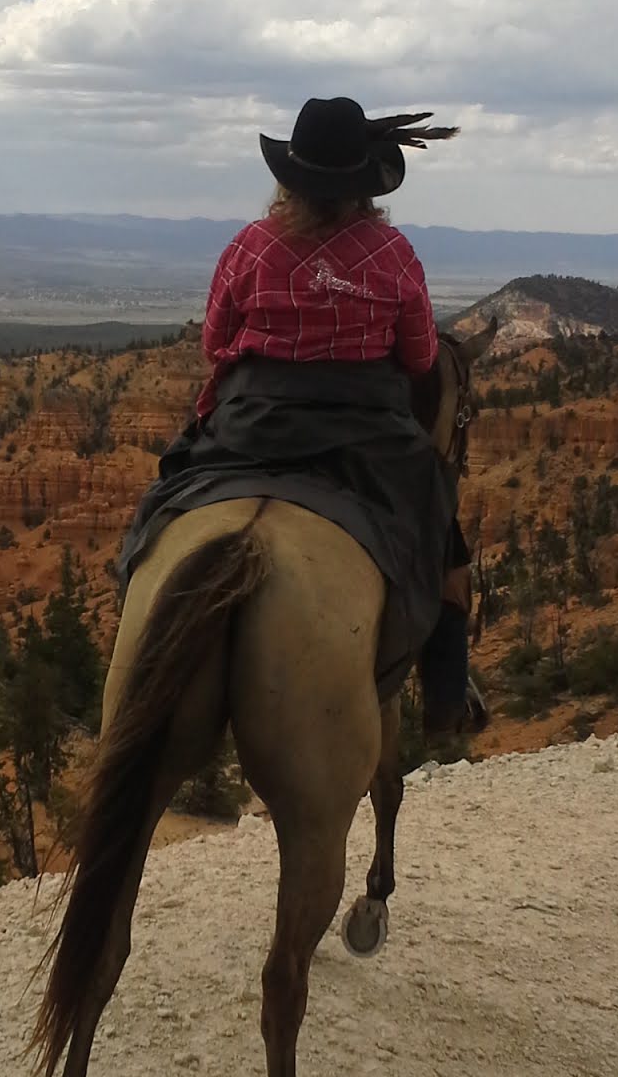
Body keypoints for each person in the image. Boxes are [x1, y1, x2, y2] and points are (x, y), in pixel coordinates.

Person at [117, 95, 461, 697]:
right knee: (440, 529)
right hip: (367, 435)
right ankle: (446, 692)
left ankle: (131, 614)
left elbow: (215, 341)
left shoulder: (250, 245)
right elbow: (421, 359)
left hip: (250, 424)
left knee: (161, 500)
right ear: (365, 186)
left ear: (289, 178)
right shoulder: (394, 253)